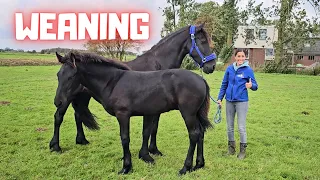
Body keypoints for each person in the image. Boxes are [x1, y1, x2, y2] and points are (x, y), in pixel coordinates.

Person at [217, 49, 258, 159]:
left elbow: (255, 85)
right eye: (238, 56)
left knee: (241, 127)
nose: (240, 58)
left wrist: (251, 86)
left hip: (241, 101)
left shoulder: (248, 70)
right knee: (229, 127)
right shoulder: (230, 69)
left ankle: (242, 151)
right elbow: (224, 84)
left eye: (242, 56)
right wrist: (220, 98)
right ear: (235, 57)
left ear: (245, 58)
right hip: (229, 101)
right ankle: (231, 149)